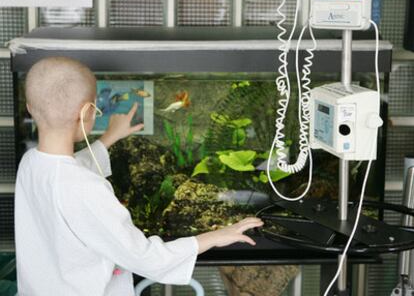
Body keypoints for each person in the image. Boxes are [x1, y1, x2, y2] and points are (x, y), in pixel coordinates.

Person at [14, 56, 263, 296]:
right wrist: (214, 237)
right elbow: (145, 257)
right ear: (87, 111)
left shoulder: (31, 164)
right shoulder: (85, 187)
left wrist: (109, 137)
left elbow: (68, 171)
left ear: (29, 108)